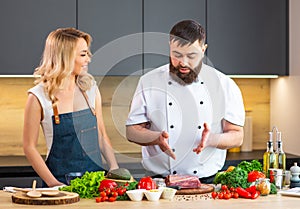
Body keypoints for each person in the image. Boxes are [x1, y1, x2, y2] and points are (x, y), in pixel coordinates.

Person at [126, 20, 245, 183]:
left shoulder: (224, 84)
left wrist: (211, 139)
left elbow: (237, 136)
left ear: (203, 50)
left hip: (206, 181)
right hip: (158, 182)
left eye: (191, 56)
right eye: (177, 55)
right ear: (169, 47)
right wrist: (155, 138)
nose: (183, 62)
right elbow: (132, 131)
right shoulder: (148, 81)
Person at [23, 28, 119, 187]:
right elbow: (29, 147)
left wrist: (114, 167)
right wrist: (53, 183)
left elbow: (101, 134)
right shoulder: (38, 97)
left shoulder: (90, 89)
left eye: (88, 53)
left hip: (96, 181)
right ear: (64, 57)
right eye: (83, 54)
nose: (88, 59)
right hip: (59, 185)